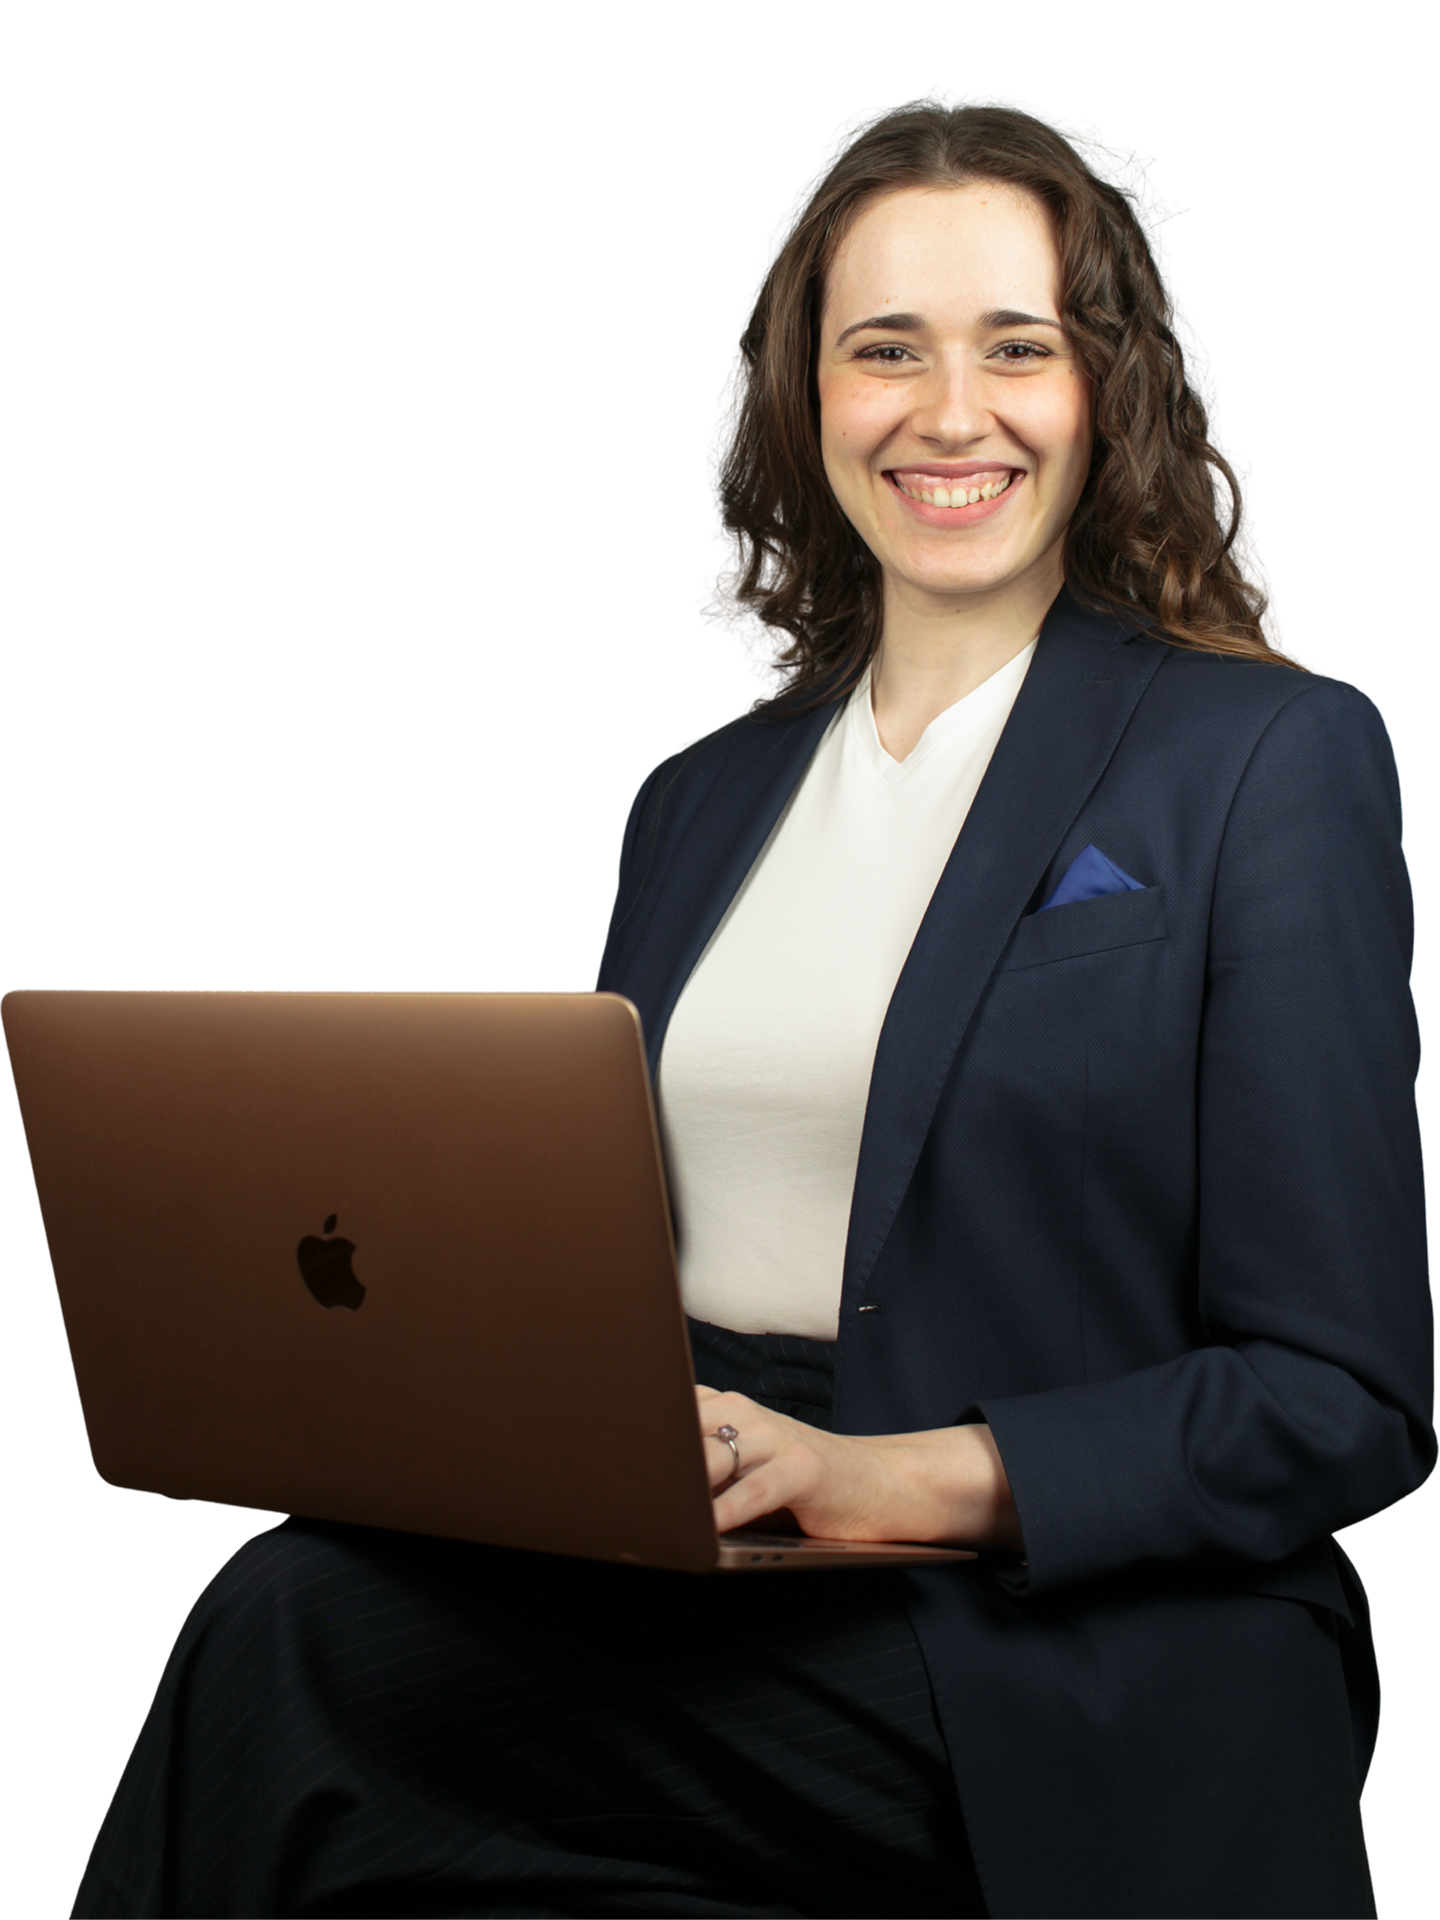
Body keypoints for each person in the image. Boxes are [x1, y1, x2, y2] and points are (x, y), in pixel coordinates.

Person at [71, 87, 1432, 1920]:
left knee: (304, 1671)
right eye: (887, 349)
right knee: (294, 1604)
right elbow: (607, 1251)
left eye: (1017, 346)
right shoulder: (704, 800)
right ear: (809, 392)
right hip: (714, 1534)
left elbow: (1342, 1399)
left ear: (1108, 388)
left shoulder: (1265, 754)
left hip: (1054, 1621)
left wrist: (895, 1478)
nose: (949, 412)